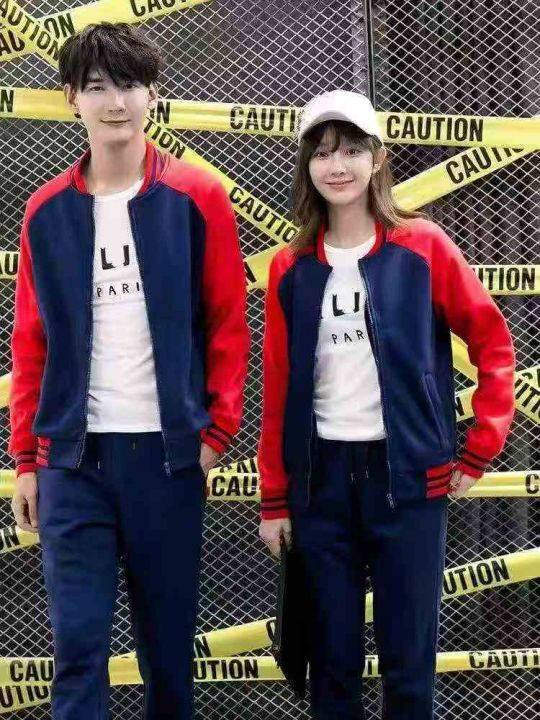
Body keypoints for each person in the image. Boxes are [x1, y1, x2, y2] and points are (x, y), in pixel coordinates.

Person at [9, 22, 249, 720]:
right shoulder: (45, 211)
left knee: (167, 657)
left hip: (166, 459)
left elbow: (228, 323)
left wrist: (214, 435)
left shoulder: (198, 196)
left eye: (130, 85)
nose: (116, 102)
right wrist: (27, 459)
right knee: (77, 650)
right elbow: (31, 342)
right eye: (97, 87)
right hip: (71, 463)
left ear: (153, 94)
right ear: (71, 98)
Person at [258, 89, 515, 719]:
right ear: (307, 166)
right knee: (331, 668)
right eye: (322, 153)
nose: (337, 165)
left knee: (408, 666)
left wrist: (480, 446)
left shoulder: (422, 245)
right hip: (320, 486)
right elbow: (279, 386)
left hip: (409, 482)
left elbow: (492, 341)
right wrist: (275, 498)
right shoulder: (290, 267)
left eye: (351, 150)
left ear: (377, 158)